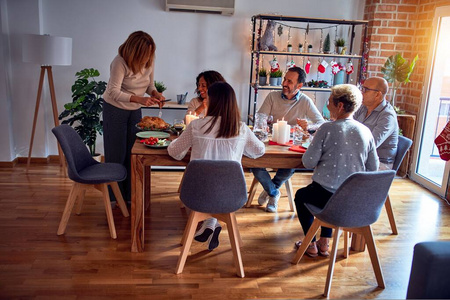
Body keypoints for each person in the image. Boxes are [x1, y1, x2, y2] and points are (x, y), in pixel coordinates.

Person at [168, 81, 265, 250]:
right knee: (218, 190)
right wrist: (239, 148)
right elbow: (258, 151)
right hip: (232, 196)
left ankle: (210, 223)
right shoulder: (241, 128)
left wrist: (177, 142)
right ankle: (212, 223)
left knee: (209, 189)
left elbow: (175, 152)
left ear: (212, 101)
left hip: (196, 194)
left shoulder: (196, 126)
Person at [294, 84, 379, 257]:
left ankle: (310, 243)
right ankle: (324, 242)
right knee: (331, 197)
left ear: (340, 106)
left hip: (326, 197)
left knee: (302, 196)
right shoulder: (366, 131)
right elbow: (373, 168)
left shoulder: (326, 128)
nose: (327, 106)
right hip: (352, 200)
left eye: (329, 102)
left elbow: (308, 162)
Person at [103, 31, 165, 203]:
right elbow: (113, 92)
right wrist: (140, 99)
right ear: (135, 52)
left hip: (135, 110)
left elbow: (149, 85)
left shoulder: (149, 62)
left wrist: (155, 94)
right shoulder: (120, 62)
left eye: (150, 54)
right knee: (117, 154)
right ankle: (115, 198)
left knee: (134, 152)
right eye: (145, 55)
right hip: (115, 109)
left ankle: (131, 195)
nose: (148, 59)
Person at [252, 66, 325, 213]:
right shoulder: (272, 96)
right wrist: (263, 125)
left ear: (299, 86)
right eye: (284, 79)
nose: (284, 83)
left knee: (292, 163)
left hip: (290, 144)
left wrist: (309, 125)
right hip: (270, 142)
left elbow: (321, 123)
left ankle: (272, 189)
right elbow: (260, 117)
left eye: (289, 81)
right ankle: (274, 192)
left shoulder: (305, 101)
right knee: (253, 161)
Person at [354, 76, 398, 170]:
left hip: (379, 164)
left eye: (365, 90)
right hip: (362, 158)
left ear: (377, 95)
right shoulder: (363, 107)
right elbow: (348, 126)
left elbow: (370, 145)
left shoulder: (387, 116)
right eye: (362, 88)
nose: (361, 92)